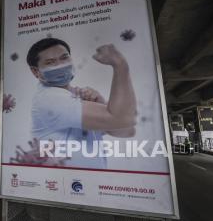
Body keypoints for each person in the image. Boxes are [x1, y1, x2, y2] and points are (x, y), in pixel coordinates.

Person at [25, 37, 137, 168]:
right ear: (35, 71)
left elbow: (127, 131)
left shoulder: (76, 97)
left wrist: (102, 103)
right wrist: (121, 65)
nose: (60, 65)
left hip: (90, 181)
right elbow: (124, 118)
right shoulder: (49, 99)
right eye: (50, 62)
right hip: (64, 182)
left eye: (64, 57)